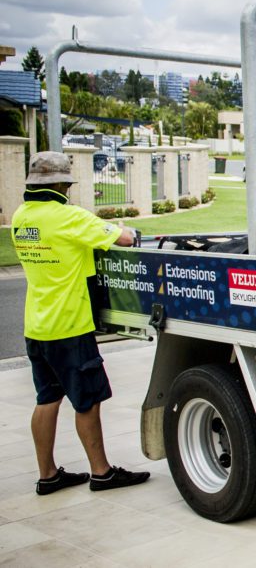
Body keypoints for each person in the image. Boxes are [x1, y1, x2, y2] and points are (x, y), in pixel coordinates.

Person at [11, 151, 151, 495]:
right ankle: (101, 472)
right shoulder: (68, 217)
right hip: (70, 327)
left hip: (37, 325)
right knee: (87, 400)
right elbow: (125, 238)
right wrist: (126, 228)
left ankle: (47, 475)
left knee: (47, 399)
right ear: (60, 184)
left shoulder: (21, 216)